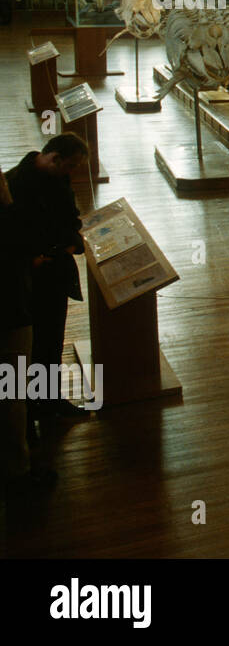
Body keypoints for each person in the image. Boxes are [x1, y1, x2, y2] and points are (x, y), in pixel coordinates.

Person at [5, 133, 89, 428]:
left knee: (52, 342)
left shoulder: (56, 179)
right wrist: (32, 259)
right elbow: (12, 234)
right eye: (69, 166)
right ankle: (28, 411)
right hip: (31, 279)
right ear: (54, 158)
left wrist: (72, 241)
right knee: (32, 347)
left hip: (54, 275)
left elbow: (70, 217)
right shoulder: (16, 183)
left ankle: (50, 401)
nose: (71, 173)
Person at [0, 168, 52, 492]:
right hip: (10, 316)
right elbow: (28, 248)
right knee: (11, 394)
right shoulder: (8, 219)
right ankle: (16, 471)